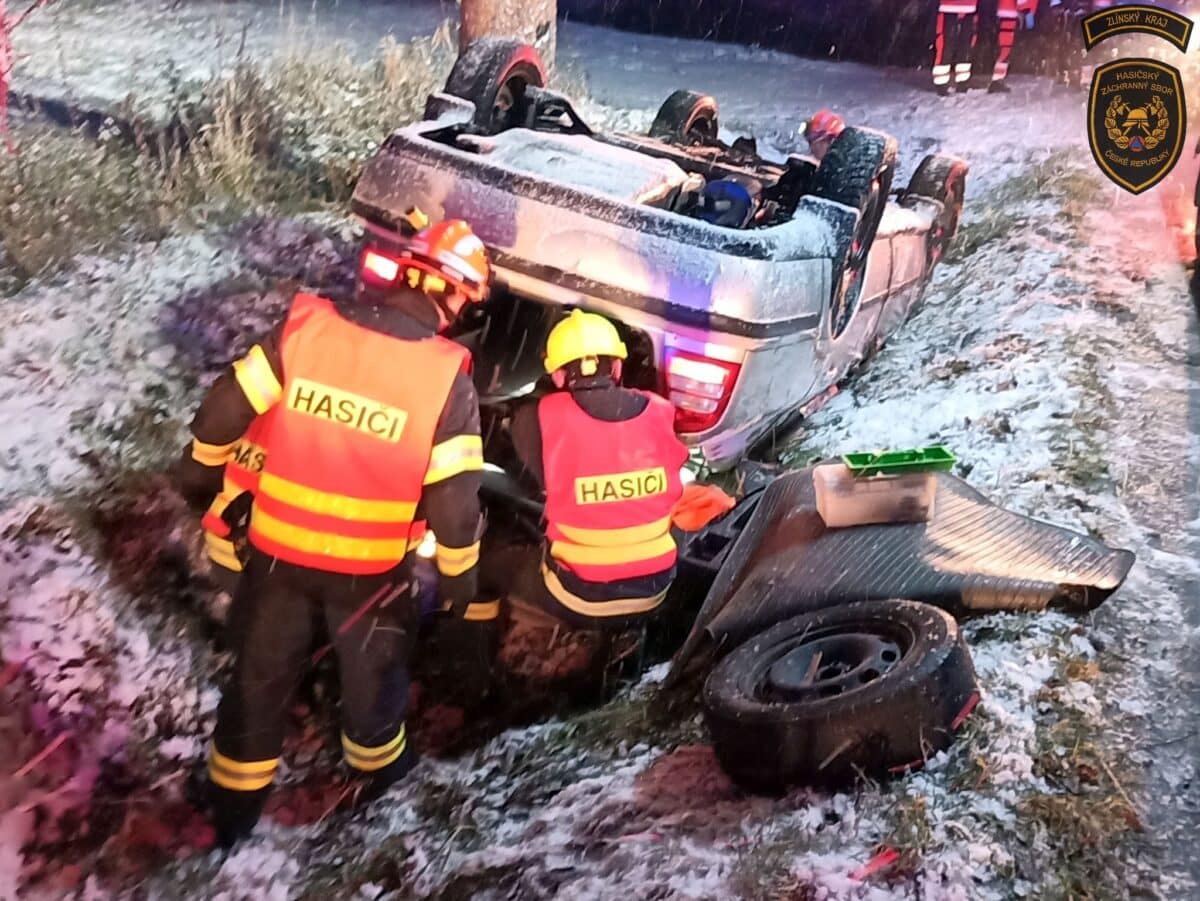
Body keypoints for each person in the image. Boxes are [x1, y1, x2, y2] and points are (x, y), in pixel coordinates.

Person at [180, 218, 491, 848]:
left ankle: (227, 820)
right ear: (454, 295)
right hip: (369, 580)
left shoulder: (309, 333)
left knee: (256, 687)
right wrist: (460, 584)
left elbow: (220, 414)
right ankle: (381, 802)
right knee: (373, 689)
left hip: (274, 559)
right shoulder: (445, 379)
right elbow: (456, 511)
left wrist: (198, 481)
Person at [509, 310, 689, 633]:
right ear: (618, 367)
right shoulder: (661, 413)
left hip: (579, 596)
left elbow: (537, 471)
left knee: (496, 565)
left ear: (559, 377)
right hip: (655, 592)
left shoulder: (535, 419)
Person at [932, 0, 982, 95]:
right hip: (949, 7)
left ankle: (961, 82)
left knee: (963, 46)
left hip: (967, 7)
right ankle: (942, 83)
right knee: (947, 45)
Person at [989, 0, 1038, 92]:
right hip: (1010, 12)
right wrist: (1026, 9)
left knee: (1004, 47)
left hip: (1005, 11)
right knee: (1005, 48)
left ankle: (998, 79)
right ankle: (997, 80)